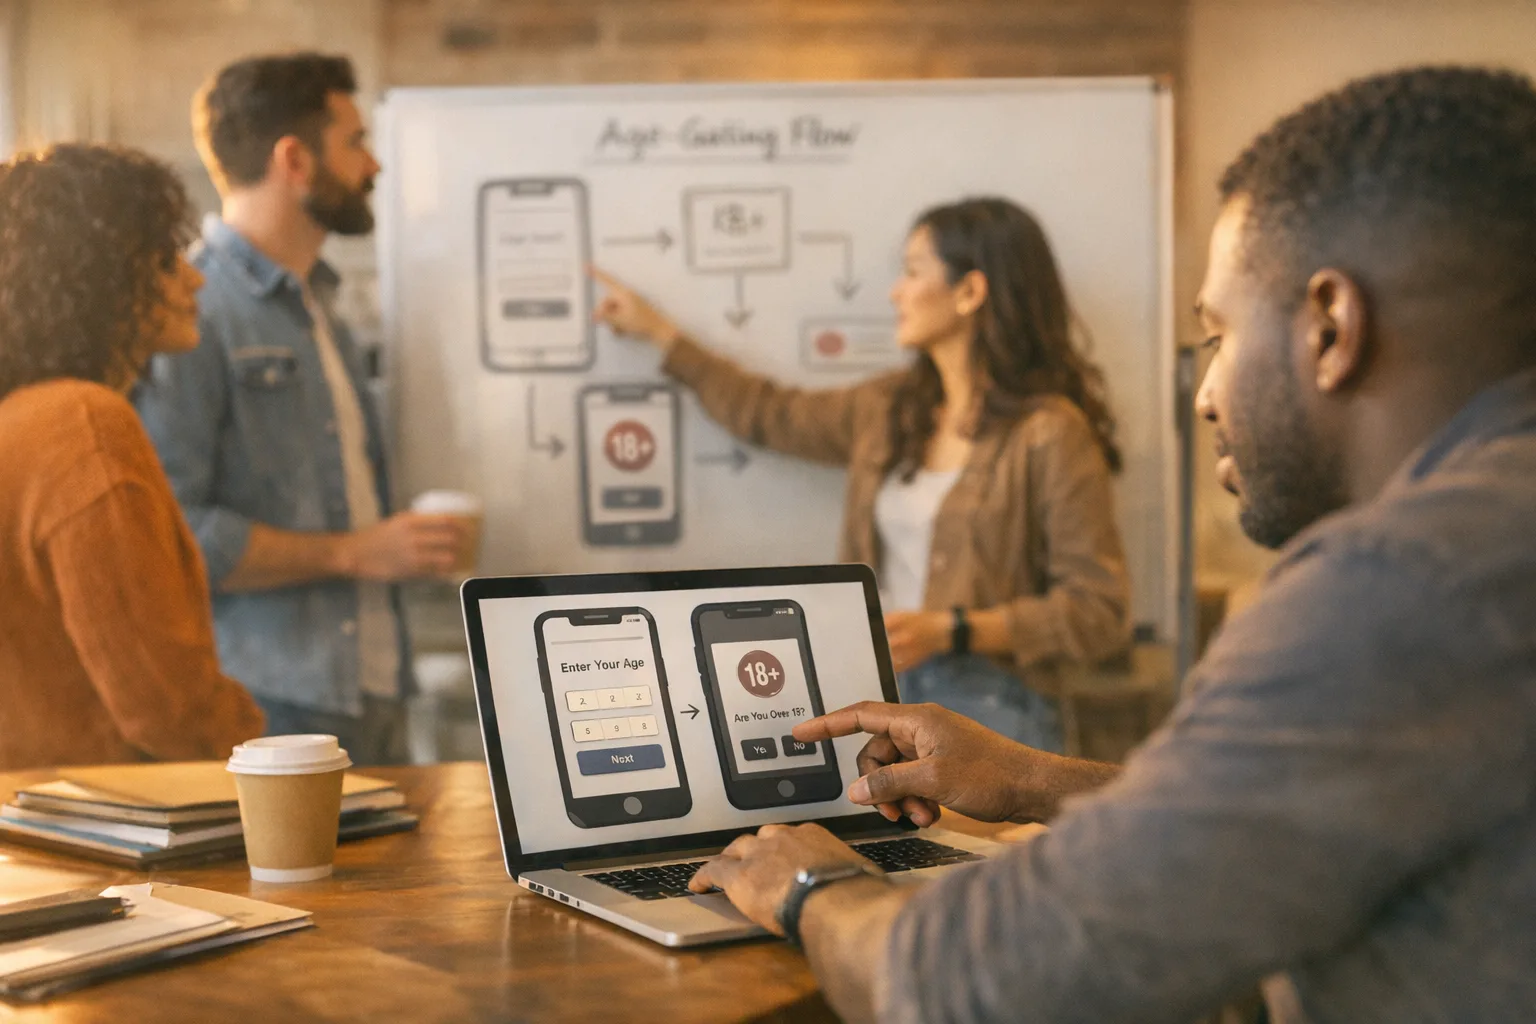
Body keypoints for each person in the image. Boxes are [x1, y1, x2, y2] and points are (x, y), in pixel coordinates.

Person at [684, 66, 1536, 1023]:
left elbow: (974, 986)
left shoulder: (1397, 587)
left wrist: (809, 887)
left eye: (1219, 332)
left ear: (1330, 326)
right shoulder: (1489, 539)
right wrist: (1036, 779)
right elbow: (1262, 824)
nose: (1207, 393)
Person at [593, 198, 1130, 752]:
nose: (896, 291)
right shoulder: (886, 409)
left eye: (914, 271)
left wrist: (954, 628)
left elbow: (1100, 612)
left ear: (970, 292)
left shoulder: (1049, 432)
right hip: (878, 696)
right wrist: (658, 332)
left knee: (980, 844)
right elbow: (766, 412)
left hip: (995, 712)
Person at [135, 53, 471, 764]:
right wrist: (355, 551)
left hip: (372, 684)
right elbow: (170, 533)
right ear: (294, 159)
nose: (373, 164)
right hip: (271, 700)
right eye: (354, 141)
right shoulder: (194, 310)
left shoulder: (320, 303)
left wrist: (401, 548)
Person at [0, 143, 265, 770]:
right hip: (114, 831)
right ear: (99, 275)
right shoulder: (83, 424)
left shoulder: (20, 419)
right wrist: (264, 753)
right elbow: (164, 701)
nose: (194, 275)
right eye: (166, 258)